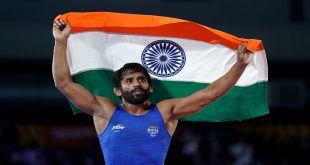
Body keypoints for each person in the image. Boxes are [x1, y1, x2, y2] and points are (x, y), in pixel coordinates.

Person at [52, 19, 253, 165]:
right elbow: (64, 83)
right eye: (129, 81)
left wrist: (240, 65)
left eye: (141, 79)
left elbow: (210, 94)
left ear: (151, 87)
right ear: (118, 90)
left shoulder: (165, 112)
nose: (136, 84)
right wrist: (61, 42)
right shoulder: (104, 110)